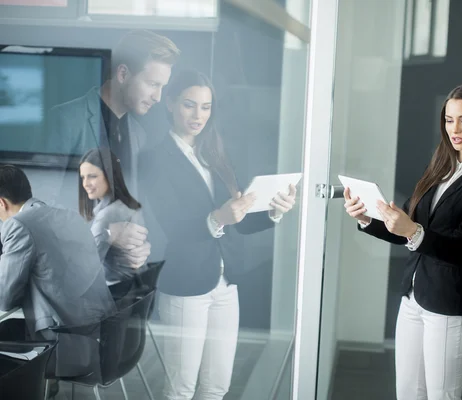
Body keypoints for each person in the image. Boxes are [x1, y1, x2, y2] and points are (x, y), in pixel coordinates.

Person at [344, 82, 462, 400]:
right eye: (449, 120)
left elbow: (461, 246)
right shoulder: (441, 165)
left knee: (441, 395)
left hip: (447, 304)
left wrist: (412, 231)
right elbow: (405, 225)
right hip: (412, 297)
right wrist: (366, 218)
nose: (455, 129)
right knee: (407, 391)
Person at [138, 69, 297, 400]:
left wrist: (274, 210)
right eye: (189, 105)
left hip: (225, 282)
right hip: (186, 284)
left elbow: (236, 220)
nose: (199, 115)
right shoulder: (154, 159)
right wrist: (216, 218)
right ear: (170, 103)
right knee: (181, 387)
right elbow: (171, 225)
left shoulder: (214, 155)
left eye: (206, 107)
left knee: (217, 385)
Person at [46, 30, 180, 267]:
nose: (158, 97)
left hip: (117, 283)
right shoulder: (64, 119)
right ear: (123, 73)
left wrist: (139, 245)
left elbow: (130, 209)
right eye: (152, 84)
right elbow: (40, 207)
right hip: (69, 275)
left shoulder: (139, 135)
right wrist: (105, 234)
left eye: (162, 87)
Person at [0, 165, 116, 378]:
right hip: (99, 334)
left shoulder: (18, 225)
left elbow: (4, 299)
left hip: (62, 342)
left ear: (1, 202)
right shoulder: (68, 215)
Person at [79, 147, 148, 284]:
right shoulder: (125, 205)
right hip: (132, 288)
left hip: (116, 291)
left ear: (109, 176)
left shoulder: (108, 215)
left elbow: (85, 265)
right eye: (83, 177)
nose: (85, 184)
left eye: (92, 176)